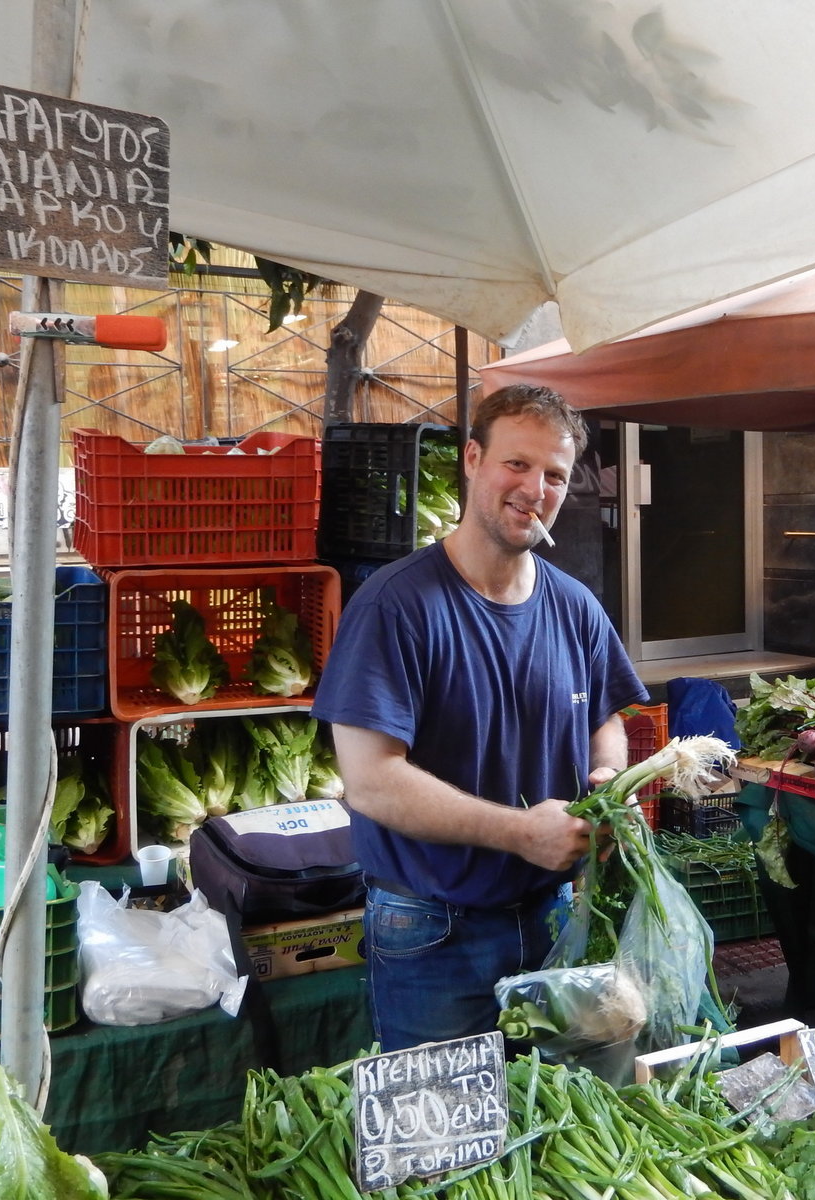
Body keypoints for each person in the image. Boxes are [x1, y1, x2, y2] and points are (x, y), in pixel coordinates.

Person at [310, 384, 649, 1052]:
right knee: (446, 1143)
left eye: (554, 474)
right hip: (434, 929)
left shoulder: (574, 607)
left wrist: (608, 778)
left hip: (558, 917)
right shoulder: (395, 606)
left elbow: (603, 719)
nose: (535, 488)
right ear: (471, 459)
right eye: (516, 464)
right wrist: (520, 832)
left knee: (567, 1133)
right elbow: (372, 781)